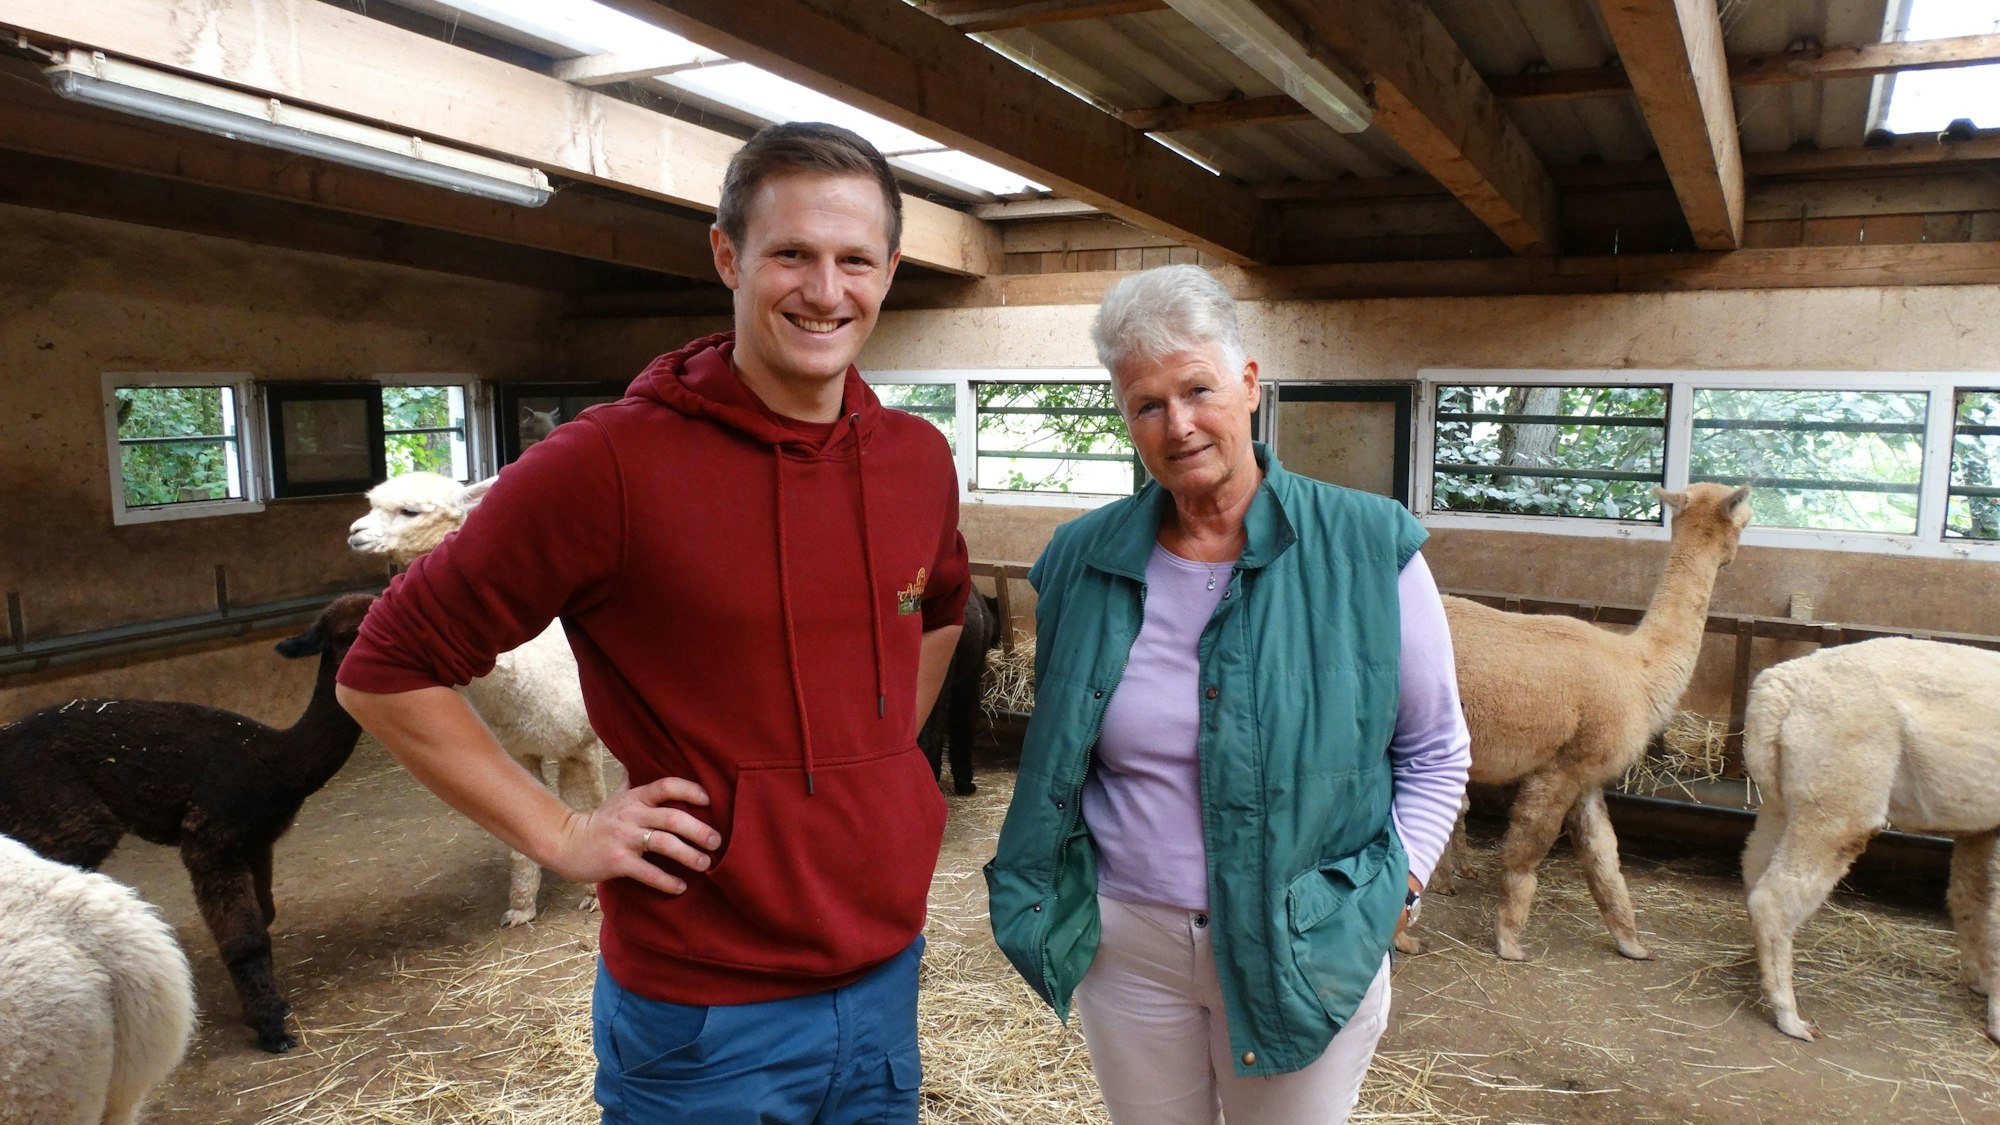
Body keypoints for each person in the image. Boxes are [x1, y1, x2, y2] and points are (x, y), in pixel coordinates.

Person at [336, 121, 969, 1124]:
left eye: (855, 259)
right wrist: (561, 830)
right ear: (727, 256)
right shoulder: (608, 465)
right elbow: (385, 666)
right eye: (790, 254)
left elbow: (938, 609)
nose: (824, 290)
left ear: (889, 271)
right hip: (703, 1011)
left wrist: (877, 762)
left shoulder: (915, 459)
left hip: (884, 974)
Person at [985, 264, 1470, 1124]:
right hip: (1130, 948)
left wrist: (1395, 895)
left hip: (1306, 940)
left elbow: (1435, 751)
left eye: (1197, 389)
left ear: (1248, 384)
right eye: (1146, 403)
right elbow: (1067, 752)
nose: (1177, 424)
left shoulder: (1368, 548)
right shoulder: (1079, 560)